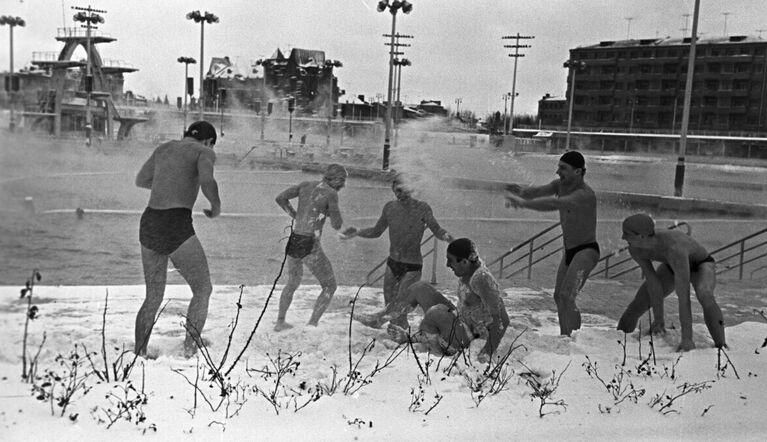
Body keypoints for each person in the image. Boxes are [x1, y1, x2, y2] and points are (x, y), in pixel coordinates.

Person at [134, 120, 221, 358]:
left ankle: (139, 352)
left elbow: (141, 180)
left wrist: (169, 180)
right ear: (209, 141)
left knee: (153, 296)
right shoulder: (204, 152)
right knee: (203, 289)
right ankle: (190, 349)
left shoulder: (164, 149)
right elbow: (207, 181)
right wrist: (215, 205)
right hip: (175, 223)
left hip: (150, 221)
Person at [504, 150, 599, 336]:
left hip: (587, 250)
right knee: (558, 296)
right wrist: (520, 192)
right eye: (558, 167)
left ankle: (571, 336)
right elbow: (538, 192)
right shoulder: (559, 185)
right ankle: (568, 335)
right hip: (569, 251)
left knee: (567, 296)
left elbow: (555, 204)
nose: (557, 172)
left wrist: (522, 204)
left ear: (578, 171)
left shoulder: (585, 195)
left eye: (563, 168)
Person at [344, 177, 453, 329]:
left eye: (400, 190)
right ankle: (397, 338)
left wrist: (448, 238)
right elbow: (376, 231)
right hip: (393, 262)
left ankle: (377, 322)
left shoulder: (422, 208)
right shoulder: (390, 207)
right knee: (391, 305)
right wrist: (357, 232)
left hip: (412, 265)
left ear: (409, 188)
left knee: (399, 305)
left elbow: (436, 229)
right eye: (395, 191)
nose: (397, 194)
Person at [383, 238, 510, 362]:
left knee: (437, 312)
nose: (447, 265)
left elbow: (502, 320)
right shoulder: (470, 267)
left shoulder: (481, 279)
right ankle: (383, 317)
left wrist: (487, 351)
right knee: (420, 288)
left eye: (450, 261)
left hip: (469, 337)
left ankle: (418, 342)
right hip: (462, 322)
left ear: (465, 262)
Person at [617, 213, 726, 351]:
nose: (623, 238)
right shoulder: (635, 248)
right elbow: (653, 283)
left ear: (641, 236)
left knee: (705, 295)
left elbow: (683, 297)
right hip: (671, 266)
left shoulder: (674, 248)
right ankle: (619, 344)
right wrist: (658, 320)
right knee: (636, 306)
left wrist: (687, 339)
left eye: (626, 234)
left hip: (701, 264)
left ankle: (721, 346)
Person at [274, 163, 353, 330]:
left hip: (295, 239)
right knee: (330, 286)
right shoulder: (331, 193)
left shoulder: (305, 185)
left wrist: (295, 215)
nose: (343, 185)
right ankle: (312, 324)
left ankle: (280, 322)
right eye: (343, 181)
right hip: (310, 242)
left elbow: (280, 198)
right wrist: (331, 214)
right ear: (337, 179)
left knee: (292, 283)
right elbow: (337, 224)